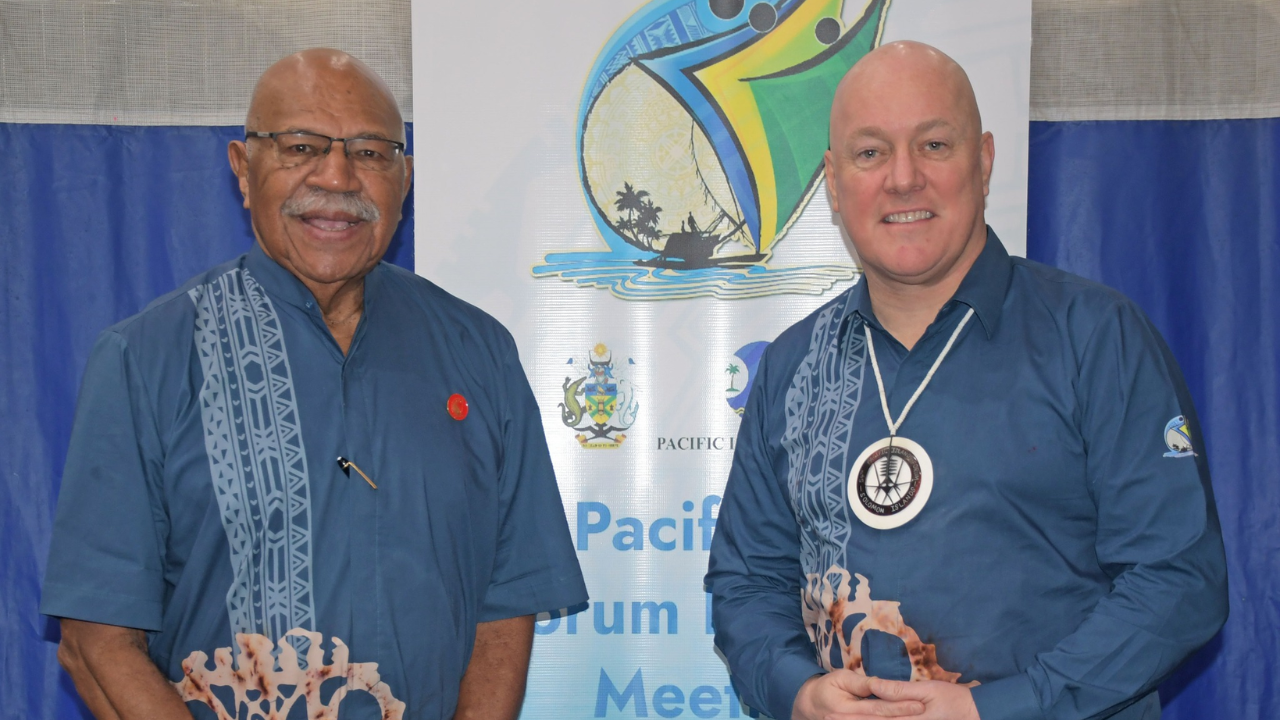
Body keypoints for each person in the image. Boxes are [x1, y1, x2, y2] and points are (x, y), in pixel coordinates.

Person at [41, 48, 587, 720]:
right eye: (301, 146)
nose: (336, 176)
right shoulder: (144, 360)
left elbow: (506, 607)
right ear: (243, 169)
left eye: (370, 153)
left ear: (405, 179)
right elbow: (96, 639)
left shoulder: (479, 353)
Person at [705, 41, 1227, 720]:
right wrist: (798, 693)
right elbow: (748, 582)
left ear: (982, 162)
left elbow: (1178, 579)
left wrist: (1005, 708)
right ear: (833, 182)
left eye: (934, 145)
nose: (902, 179)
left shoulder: (1096, 338)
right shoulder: (792, 367)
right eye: (870, 152)